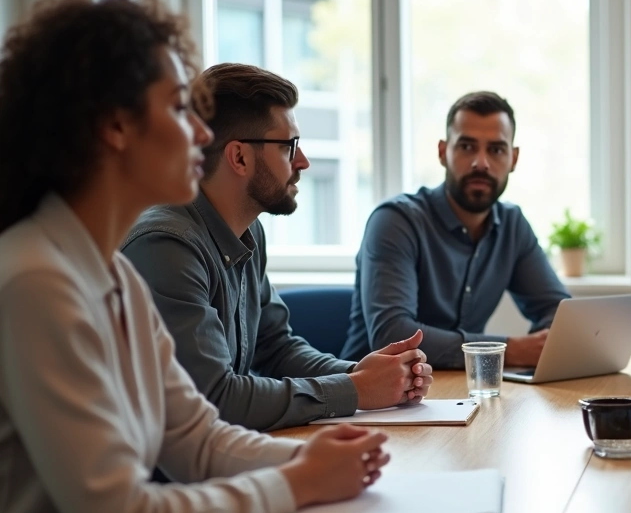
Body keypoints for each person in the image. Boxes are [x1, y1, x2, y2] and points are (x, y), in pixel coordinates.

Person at [0, 0, 390, 513]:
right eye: (182, 109)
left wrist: (315, 456)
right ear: (115, 126)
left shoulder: (110, 276)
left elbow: (197, 437)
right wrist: (297, 482)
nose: (200, 134)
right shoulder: (36, 280)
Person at [122, 63, 433, 432]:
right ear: (239, 157)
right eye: (289, 147)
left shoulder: (248, 229)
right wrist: (355, 389)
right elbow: (215, 399)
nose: (302, 162)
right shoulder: (167, 247)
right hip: (159, 479)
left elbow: (276, 348)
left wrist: (367, 374)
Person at [342, 91, 571, 368]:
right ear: (443, 152)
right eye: (467, 147)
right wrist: (505, 351)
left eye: (496, 150)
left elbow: (559, 315)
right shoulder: (395, 221)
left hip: (464, 392)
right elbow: (392, 335)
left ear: (514, 158)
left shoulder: (512, 225)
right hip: (377, 402)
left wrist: (548, 342)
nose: (481, 163)